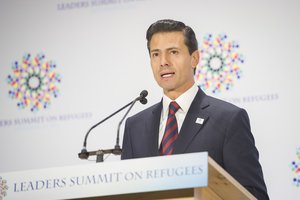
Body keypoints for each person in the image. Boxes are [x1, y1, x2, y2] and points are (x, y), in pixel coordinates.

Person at [121, 19, 269, 199]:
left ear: (194, 58)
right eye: (156, 54)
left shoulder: (228, 120)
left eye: (173, 52)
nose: (163, 62)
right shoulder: (134, 126)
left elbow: (254, 195)